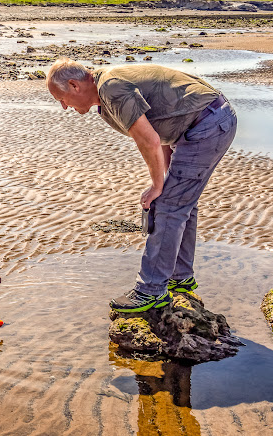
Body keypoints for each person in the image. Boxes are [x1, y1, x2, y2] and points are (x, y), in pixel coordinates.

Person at [46, 58, 237, 313]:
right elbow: (164, 124)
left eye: (61, 98)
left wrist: (158, 186)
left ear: (74, 85)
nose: (63, 107)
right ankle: (179, 277)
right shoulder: (106, 92)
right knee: (176, 201)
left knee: (169, 205)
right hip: (202, 122)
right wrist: (164, 180)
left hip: (208, 123)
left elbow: (150, 140)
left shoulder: (111, 88)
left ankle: (151, 291)